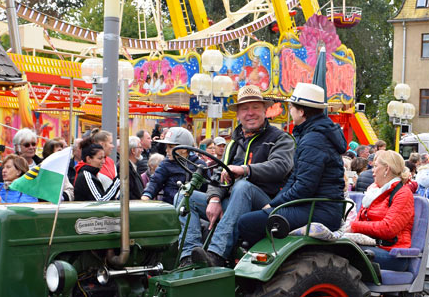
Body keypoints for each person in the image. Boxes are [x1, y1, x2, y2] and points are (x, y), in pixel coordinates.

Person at [178, 85, 294, 267]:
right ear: (238, 114)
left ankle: (216, 254)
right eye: (245, 109)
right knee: (185, 195)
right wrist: (214, 198)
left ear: (265, 110)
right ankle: (188, 257)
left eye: (255, 107)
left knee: (243, 186)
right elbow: (218, 173)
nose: (250, 113)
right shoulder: (233, 144)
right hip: (234, 202)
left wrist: (246, 169)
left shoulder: (280, 138)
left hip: (266, 204)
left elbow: (280, 166)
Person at [237, 83, 346, 253]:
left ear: (301, 112)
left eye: (292, 108)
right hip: (316, 206)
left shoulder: (314, 140)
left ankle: (262, 257)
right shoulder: (313, 135)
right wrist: (274, 205)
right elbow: (294, 179)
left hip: (320, 210)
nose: (290, 112)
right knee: (257, 216)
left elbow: (304, 187)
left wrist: (274, 205)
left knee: (247, 222)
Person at [345, 151, 415, 272]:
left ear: (387, 169)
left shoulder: (403, 194)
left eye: (376, 166)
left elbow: (388, 228)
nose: (372, 170)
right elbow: (359, 222)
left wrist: (354, 226)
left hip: (392, 254)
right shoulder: (373, 192)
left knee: (340, 253)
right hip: (372, 246)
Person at [142, 127, 197, 205]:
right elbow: (155, 181)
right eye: (166, 146)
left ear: (184, 149)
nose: (166, 150)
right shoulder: (166, 164)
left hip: (191, 207)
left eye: (170, 147)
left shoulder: (199, 165)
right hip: (170, 206)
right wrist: (147, 194)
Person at [126, 136, 146, 201]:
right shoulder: (125, 168)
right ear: (133, 150)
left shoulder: (132, 166)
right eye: (140, 147)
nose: (142, 150)